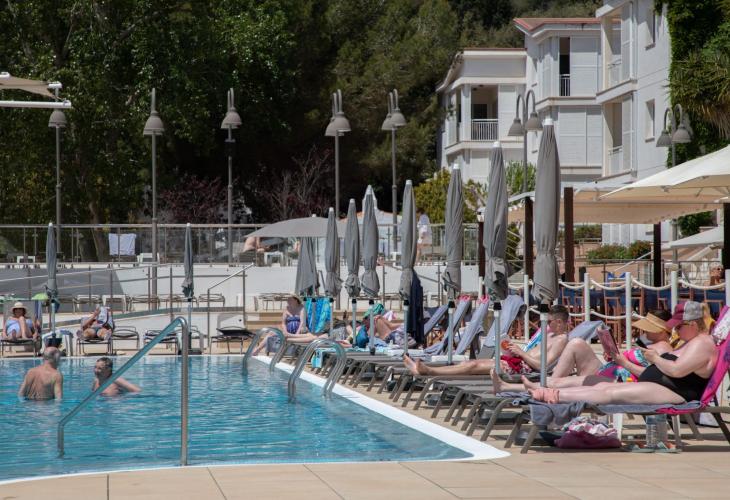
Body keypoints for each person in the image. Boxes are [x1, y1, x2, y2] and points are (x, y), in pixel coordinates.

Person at [521, 301, 718, 405]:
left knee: (609, 393)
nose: (675, 331)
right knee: (602, 388)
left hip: (676, 392)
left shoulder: (702, 343)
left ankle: (551, 396)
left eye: (679, 327)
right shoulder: (692, 342)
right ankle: (547, 392)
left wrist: (655, 359)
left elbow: (676, 371)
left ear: (693, 324)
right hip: (661, 385)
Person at [493, 310, 674, 392]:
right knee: (577, 343)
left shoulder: (663, 349)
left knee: (560, 382)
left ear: (660, 331)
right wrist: (613, 356)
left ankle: (510, 387)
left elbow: (652, 376)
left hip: (619, 382)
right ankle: (546, 384)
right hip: (609, 371)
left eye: (648, 328)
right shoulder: (650, 344)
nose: (644, 332)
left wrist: (623, 362)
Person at [403, 305, 571, 376]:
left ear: (559, 322)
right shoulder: (549, 335)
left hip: (522, 369)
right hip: (516, 362)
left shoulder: (561, 340)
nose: (545, 324)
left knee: (473, 366)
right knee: (469, 363)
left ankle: (429, 371)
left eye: (549, 321)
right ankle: (425, 370)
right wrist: (513, 350)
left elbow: (543, 366)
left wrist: (520, 353)